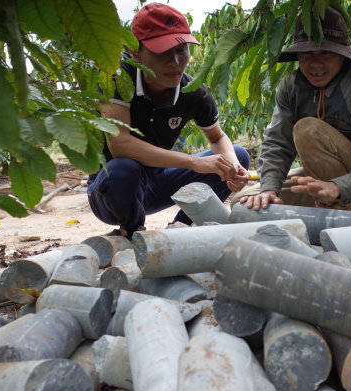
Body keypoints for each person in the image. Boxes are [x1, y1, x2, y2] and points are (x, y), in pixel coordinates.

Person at [87, 3, 250, 237]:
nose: (175, 62)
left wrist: (233, 167)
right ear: (136, 52)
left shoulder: (194, 91)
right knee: (123, 168)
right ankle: (132, 232)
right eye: (163, 52)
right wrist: (192, 162)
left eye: (181, 50)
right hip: (111, 193)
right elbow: (120, 145)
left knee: (238, 154)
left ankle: (180, 229)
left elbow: (217, 137)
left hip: (157, 183)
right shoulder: (117, 78)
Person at [235, 7, 351, 211]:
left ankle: (339, 217)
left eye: (325, 53)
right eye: (307, 54)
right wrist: (269, 189)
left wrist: (339, 187)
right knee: (244, 204)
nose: (316, 63)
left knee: (307, 129)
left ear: (342, 55)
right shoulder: (291, 87)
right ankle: (320, 213)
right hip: (318, 183)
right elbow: (277, 144)